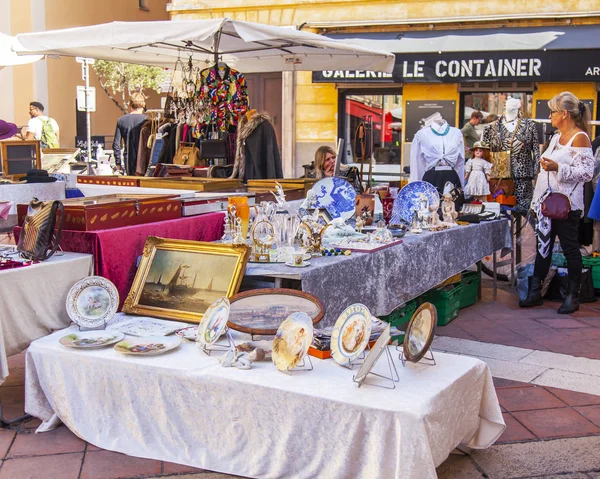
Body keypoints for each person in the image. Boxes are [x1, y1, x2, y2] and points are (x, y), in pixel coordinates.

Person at [520, 92, 594, 314]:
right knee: (543, 247)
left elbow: (587, 172)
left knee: (571, 248)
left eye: (553, 112)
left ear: (564, 114)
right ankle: (535, 291)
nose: (550, 116)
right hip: (546, 204)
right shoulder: (555, 137)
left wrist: (557, 168)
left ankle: (573, 296)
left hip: (567, 205)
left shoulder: (580, 137)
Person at [113, 92, 147, 176]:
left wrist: (118, 163)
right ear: (143, 105)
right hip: (145, 159)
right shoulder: (147, 121)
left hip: (129, 159)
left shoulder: (121, 121)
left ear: (130, 105)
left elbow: (116, 144)